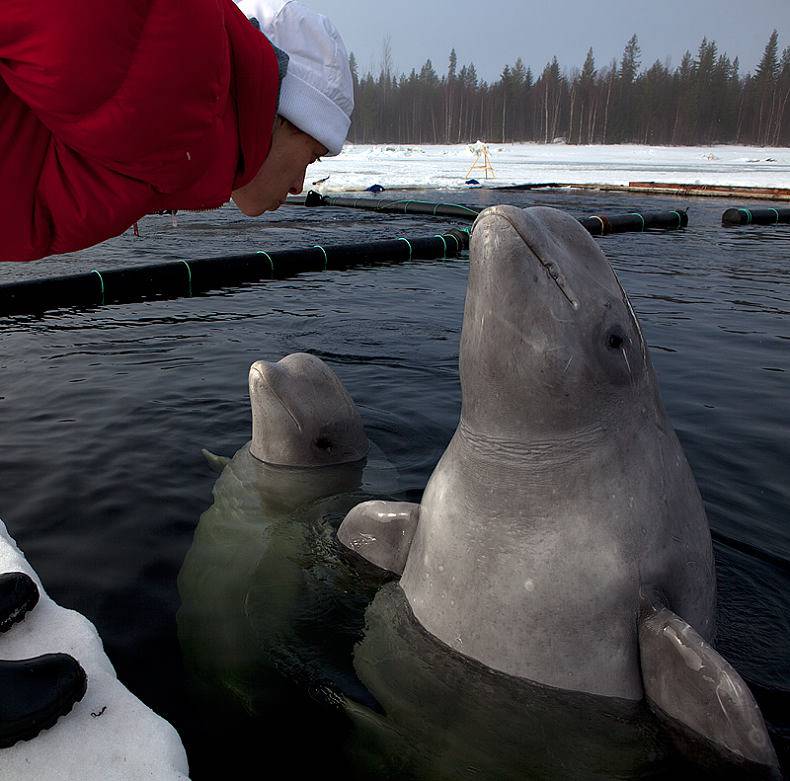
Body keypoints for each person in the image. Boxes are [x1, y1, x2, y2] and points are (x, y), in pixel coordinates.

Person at [0, 0, 354, 262]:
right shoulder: (179, 72)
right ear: (284, 114)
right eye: (312, 155)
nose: (298, 186)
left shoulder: (171, 146)